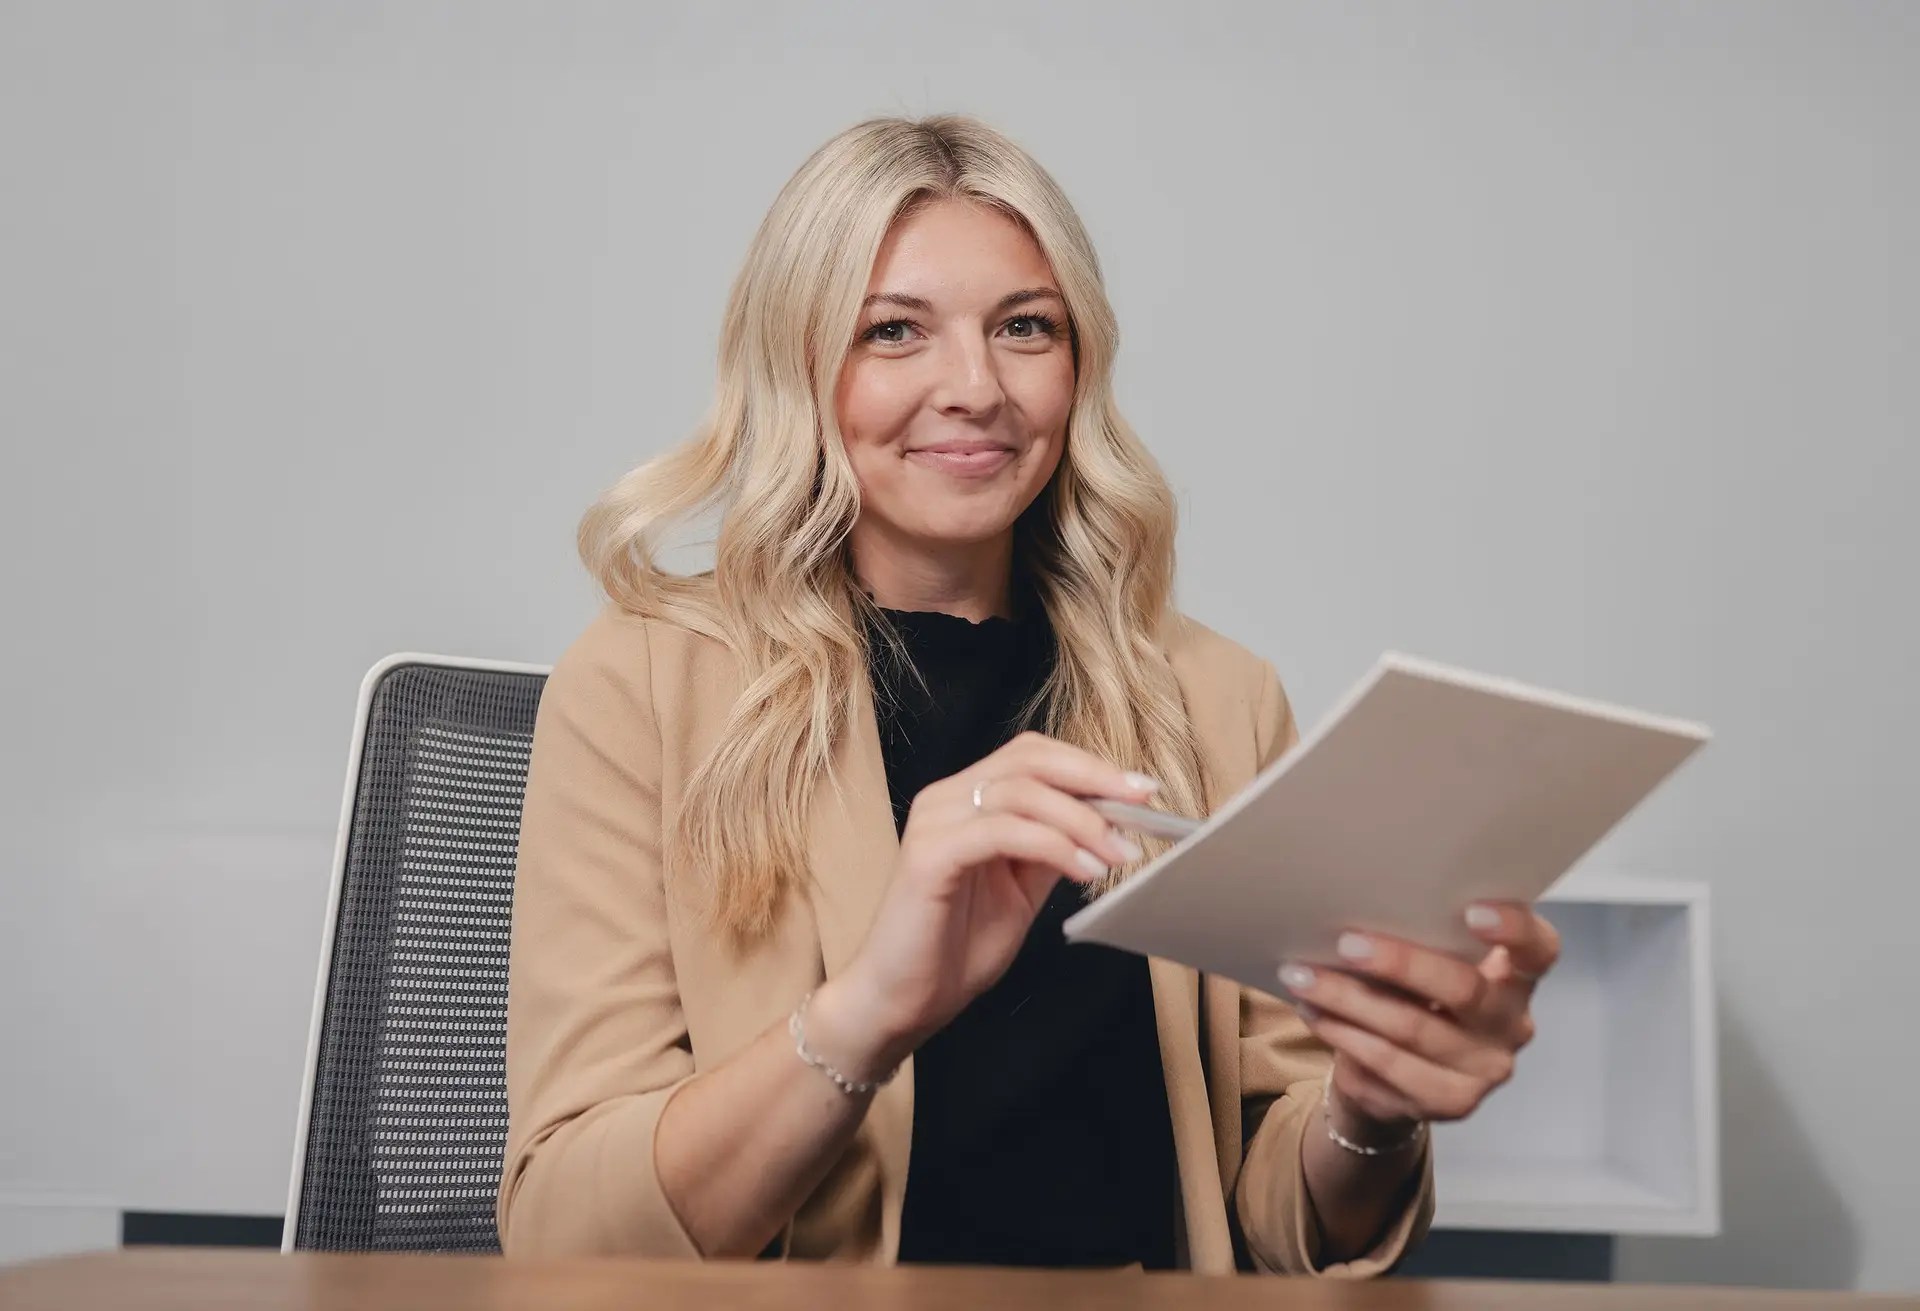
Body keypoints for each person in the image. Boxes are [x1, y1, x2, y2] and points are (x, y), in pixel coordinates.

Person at [497, 114, 1557, 1277]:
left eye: (1025, 329)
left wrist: (1373, 1105)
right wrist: (872, 1013)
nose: (977, 389)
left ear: (1079, 362)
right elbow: (565, 1233)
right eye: (893, 331)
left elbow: (1281, 1227)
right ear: (797, 365)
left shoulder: (1217, 699)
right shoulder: (644, 682)